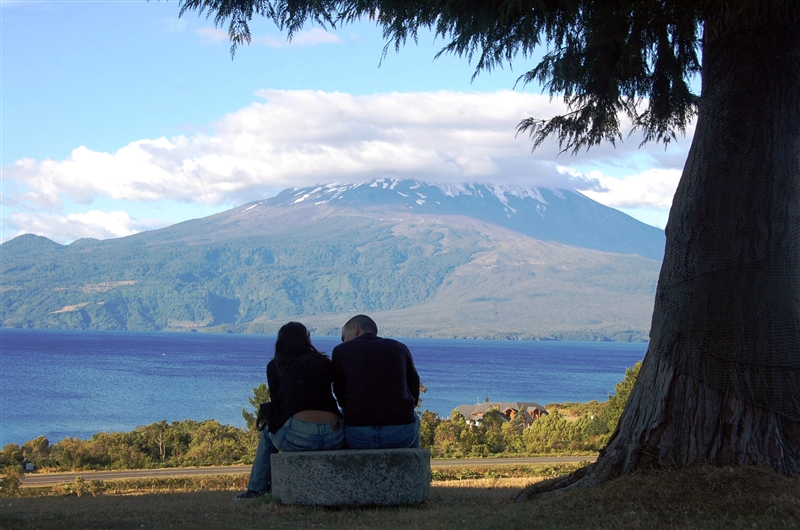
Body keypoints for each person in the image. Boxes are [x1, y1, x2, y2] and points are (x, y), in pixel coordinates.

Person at [235, 321, 344, 500]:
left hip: (297, 438)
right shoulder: (324, 363)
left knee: (267, 431)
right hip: (334, 436)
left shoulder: (275, 366)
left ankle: (256, 489)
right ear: (306, 339)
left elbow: (278, 404)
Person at [331, 314, 421, 449]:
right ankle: (414, 466)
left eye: (344, 337)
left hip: (359, 435)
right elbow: (413, 386)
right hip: (400, 435)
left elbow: (339, 393)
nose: (344, 341)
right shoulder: (400, 348)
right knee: (414, 418)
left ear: (355, 329)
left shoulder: (341, 350)